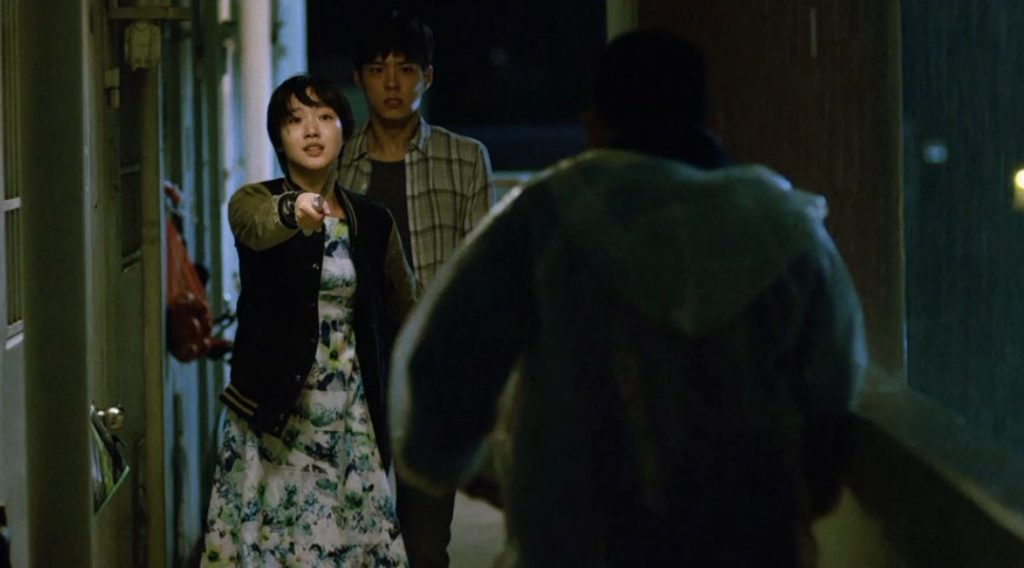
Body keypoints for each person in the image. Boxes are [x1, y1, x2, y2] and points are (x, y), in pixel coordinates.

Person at [389, 29, 867, 567]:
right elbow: (829, 409)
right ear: (714, 123)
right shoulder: (787, 233)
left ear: (594, 124)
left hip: (576, 546)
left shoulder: (544, 220)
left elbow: (436, 392)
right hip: (749, 548)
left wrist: (494, 472)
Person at [201, 74, 416, 566]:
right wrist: (295, 210)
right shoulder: (252, 201)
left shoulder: (372, 220)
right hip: (273, 414)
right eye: (295, 120)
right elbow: (259, 228)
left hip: (350, 412)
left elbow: (405, 308)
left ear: (345, 131)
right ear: (280, 139)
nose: (312, 130)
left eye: (325, 117)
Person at [338, 10, 495, 567]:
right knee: (354, 539)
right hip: (352, 375)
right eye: (377, 69)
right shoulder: (337, 164)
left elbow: (479, 272)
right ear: (358, 78)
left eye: (405, 69)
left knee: (426, 544)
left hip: (431, 373)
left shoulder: (464, 157)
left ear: (427, 77)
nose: (391, 83)